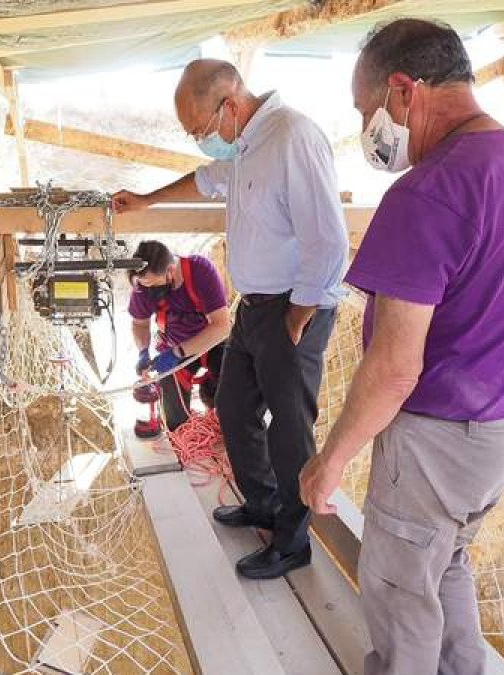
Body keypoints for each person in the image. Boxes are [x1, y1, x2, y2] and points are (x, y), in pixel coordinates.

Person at [298, 19, 504, 675]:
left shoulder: (429, 192)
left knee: (398, 600)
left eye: (366, 111)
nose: (369, 128)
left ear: (402, 90)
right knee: (444, 565)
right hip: (502, 427)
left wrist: (329, 459)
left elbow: (393, 368)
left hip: (435, 444)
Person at [113, 59, 348, 580]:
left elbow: (330, 242)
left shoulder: (293, 137)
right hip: (255, 307)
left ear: (230, 104)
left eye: (200, 129)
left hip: (293, 308)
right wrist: (146, 201)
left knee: (290, 430)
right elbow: (204, 179)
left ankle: (292, 541)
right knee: (233, 405)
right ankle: (262, 506)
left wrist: (298, 316)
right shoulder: (243, 146)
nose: (201, 140)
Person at [128, 240, 230, 431]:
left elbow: (222, 326)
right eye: (144, 284)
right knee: (175, 422)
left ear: (170, 271)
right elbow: (139, 324)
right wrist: (143, 352)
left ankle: (222, 428)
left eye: (153, 284)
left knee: (231, 399)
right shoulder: (142, 284)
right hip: (172, 347)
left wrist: (178, 352)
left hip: (212, 343)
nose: (147, 289)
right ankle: (183, 443)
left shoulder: (200, 271)